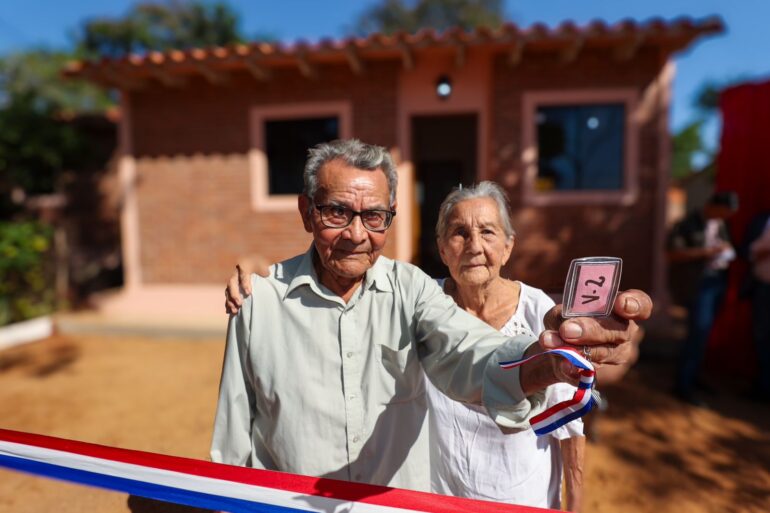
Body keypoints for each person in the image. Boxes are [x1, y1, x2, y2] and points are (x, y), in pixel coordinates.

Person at [212, 138, 651, 493]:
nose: (356, 234)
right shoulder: (258, 302)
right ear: (308, 213)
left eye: (375, 216)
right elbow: (233, 439)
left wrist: (544, 359)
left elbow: (470, 352)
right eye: (337, 212)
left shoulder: (412, 290)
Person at [226, 181, 586, 511]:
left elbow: (569, 432)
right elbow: (347, 286)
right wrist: (265, 280)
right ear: (443, 249)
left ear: (508, 247)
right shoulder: (419, 301)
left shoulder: (539, 313)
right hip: (436, 499)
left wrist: (575, 507)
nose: (474, 246)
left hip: (521, 500)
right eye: (459, 234)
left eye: (488, 233)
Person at [667, 191, 738, 405]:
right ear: (711, 206)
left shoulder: (721, 225)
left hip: (716, 281)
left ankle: (693, 376)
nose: (724, 217)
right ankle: (683, 384)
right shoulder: (687, 224)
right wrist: (707, 252)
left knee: (704, 333)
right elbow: (673, 253)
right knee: (697, 331)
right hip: (697, 284)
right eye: (722, 212)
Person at [742, 211, 770, 402]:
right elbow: (746, 251)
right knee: (762, 336)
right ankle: (764, 385)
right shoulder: (761, 220)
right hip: (763, 288)